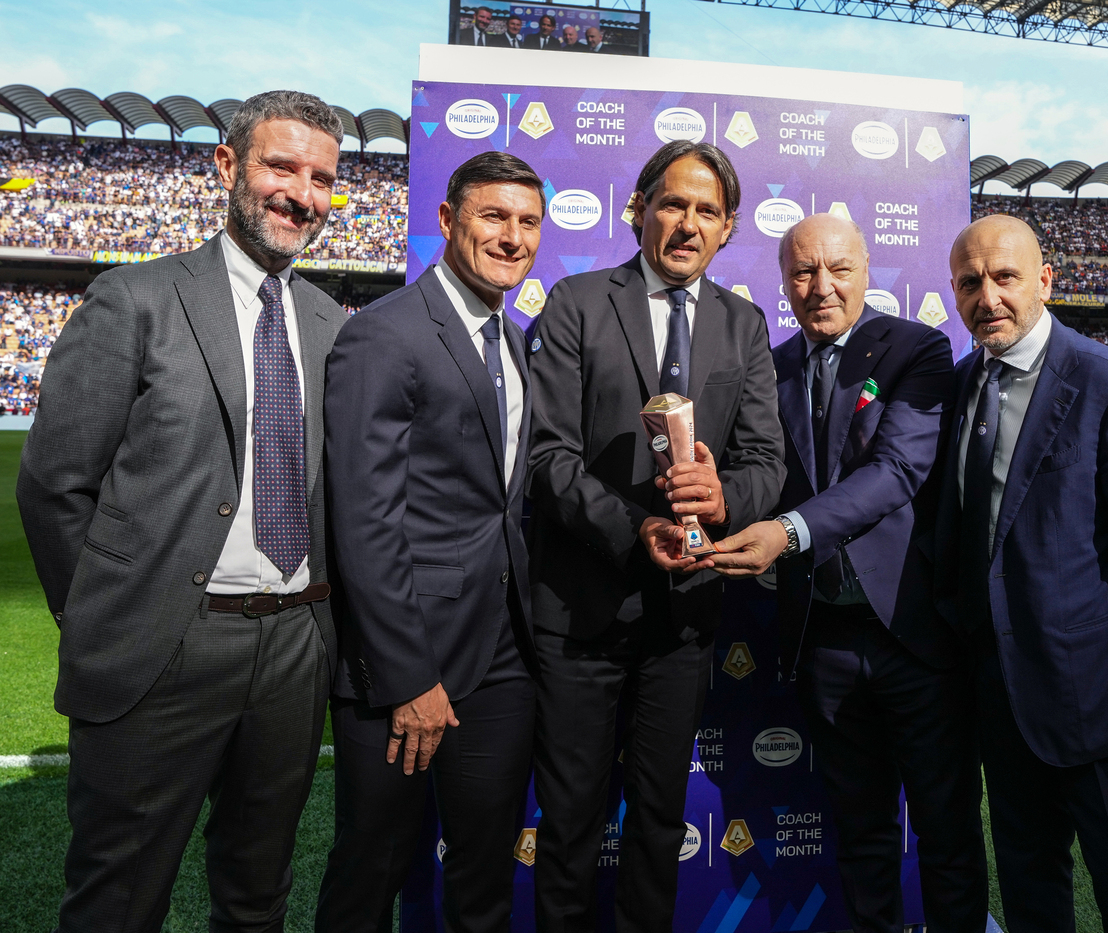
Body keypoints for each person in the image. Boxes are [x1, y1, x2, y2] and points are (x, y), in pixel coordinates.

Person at [17, 90, 346, 933]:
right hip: (162, 643)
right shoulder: (135, 299)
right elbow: (55, 484)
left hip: (292, 649)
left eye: (321, 179)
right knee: (118, 899)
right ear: (228, 165)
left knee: (257, 893)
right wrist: (102, 615)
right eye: (282, 166)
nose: (301, 194)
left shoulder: (330, 324)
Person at [527, 140, 785, 933]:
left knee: (659, 824)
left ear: (729, 226)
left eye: (707, 211)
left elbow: (766, 463)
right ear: (638, 208)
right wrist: (633, 526)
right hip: (581, 613)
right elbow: (546, 454)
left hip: (685, 619)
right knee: (567, 826)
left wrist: (724, 494)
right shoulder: (574, 302)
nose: (687, 223)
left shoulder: (744, 326)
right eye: (672, 203)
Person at [708, 215, 986, 933]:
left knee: (946, 836)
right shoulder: (769, 368)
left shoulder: (916, 349)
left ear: (867, 270)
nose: (821, 286)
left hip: (914, 639)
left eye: (837, 268)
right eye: (802, 272)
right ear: (784, 281)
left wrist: (787, 532)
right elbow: (756, 479)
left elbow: (896, 470)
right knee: (860, 838)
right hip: (823, 642)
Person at [935, 215, 1108, 933]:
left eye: (1005, 276)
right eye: (969, 281)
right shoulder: (962, 385)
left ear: (1045, 280)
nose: (988, 295)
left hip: (1103, 709)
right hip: (1001, 705)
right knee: (1029, 893)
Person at [316, 152, 543, 932]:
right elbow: (364, 519)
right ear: (447, 221)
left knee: (483, 877)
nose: (512, 237)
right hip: (402, 666)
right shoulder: (385, 334)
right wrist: (409, 676)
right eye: (494, 216)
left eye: (528, 222)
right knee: (370, 871)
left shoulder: (513, 343)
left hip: (504, 656)